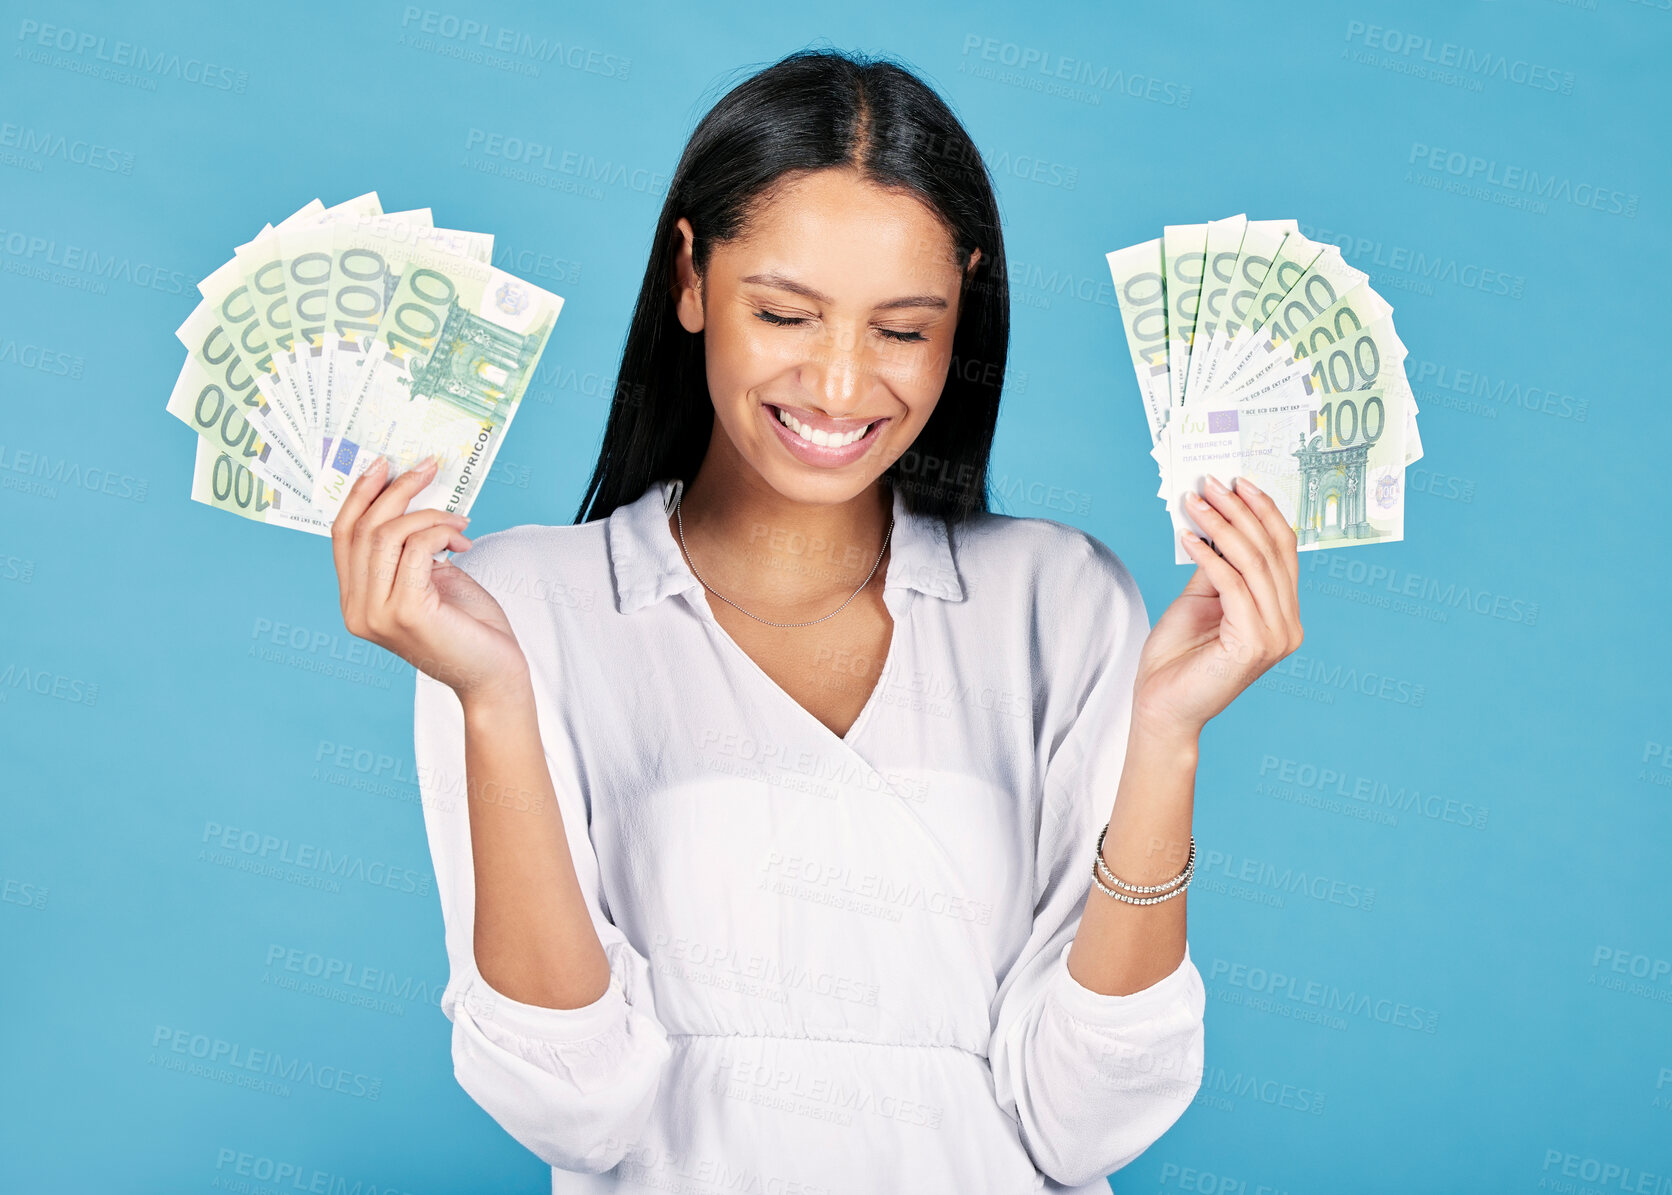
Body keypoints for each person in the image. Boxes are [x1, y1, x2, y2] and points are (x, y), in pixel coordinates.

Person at [330, 47, 1302, 1195]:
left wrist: (1168, 737)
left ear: (963, 311)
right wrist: (493, 699)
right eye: (786, 313)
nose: (841, 386)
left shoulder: (1060, 597)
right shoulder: (515, 610)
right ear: (689, 276)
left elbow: (1086, 1121)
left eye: (901, 330)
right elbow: (572, 1107)